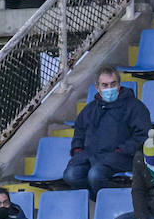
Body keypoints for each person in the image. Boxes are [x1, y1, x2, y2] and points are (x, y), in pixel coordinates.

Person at [64, 65, 149, 198]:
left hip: (121, 158)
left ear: (119, 85)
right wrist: (78, 151)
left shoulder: (135, 107)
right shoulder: (89, 110)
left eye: (113, 84)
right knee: (71, 175)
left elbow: (142, 136)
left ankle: (114, 200)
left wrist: (121, 151)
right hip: (90, 157)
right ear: (98, 88)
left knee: (95, 175)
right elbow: (78, 133)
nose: (109, 89)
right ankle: (99, 201)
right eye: (105, 85)